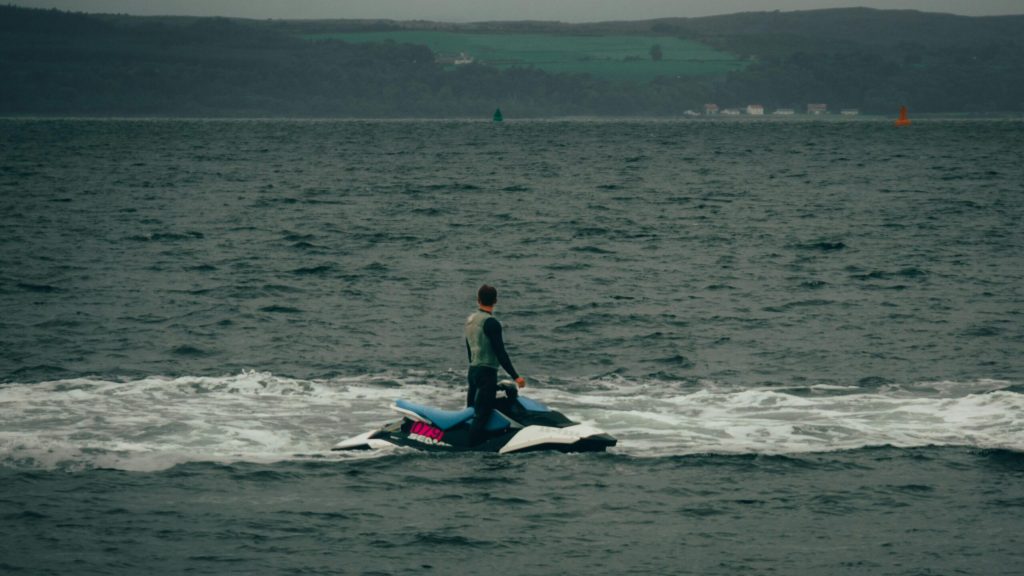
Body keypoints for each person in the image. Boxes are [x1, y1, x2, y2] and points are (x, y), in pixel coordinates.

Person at [465, 284, 526, 446]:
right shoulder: (491, 323)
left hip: (473, 371)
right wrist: (516, 377)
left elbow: (469, 350)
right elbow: (501, 353)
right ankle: (471, 450)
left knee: (472, 411)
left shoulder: (470, 321)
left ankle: (468, 440)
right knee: (481, 415)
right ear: (495, 301)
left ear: (478, 300)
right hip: (487, 373)